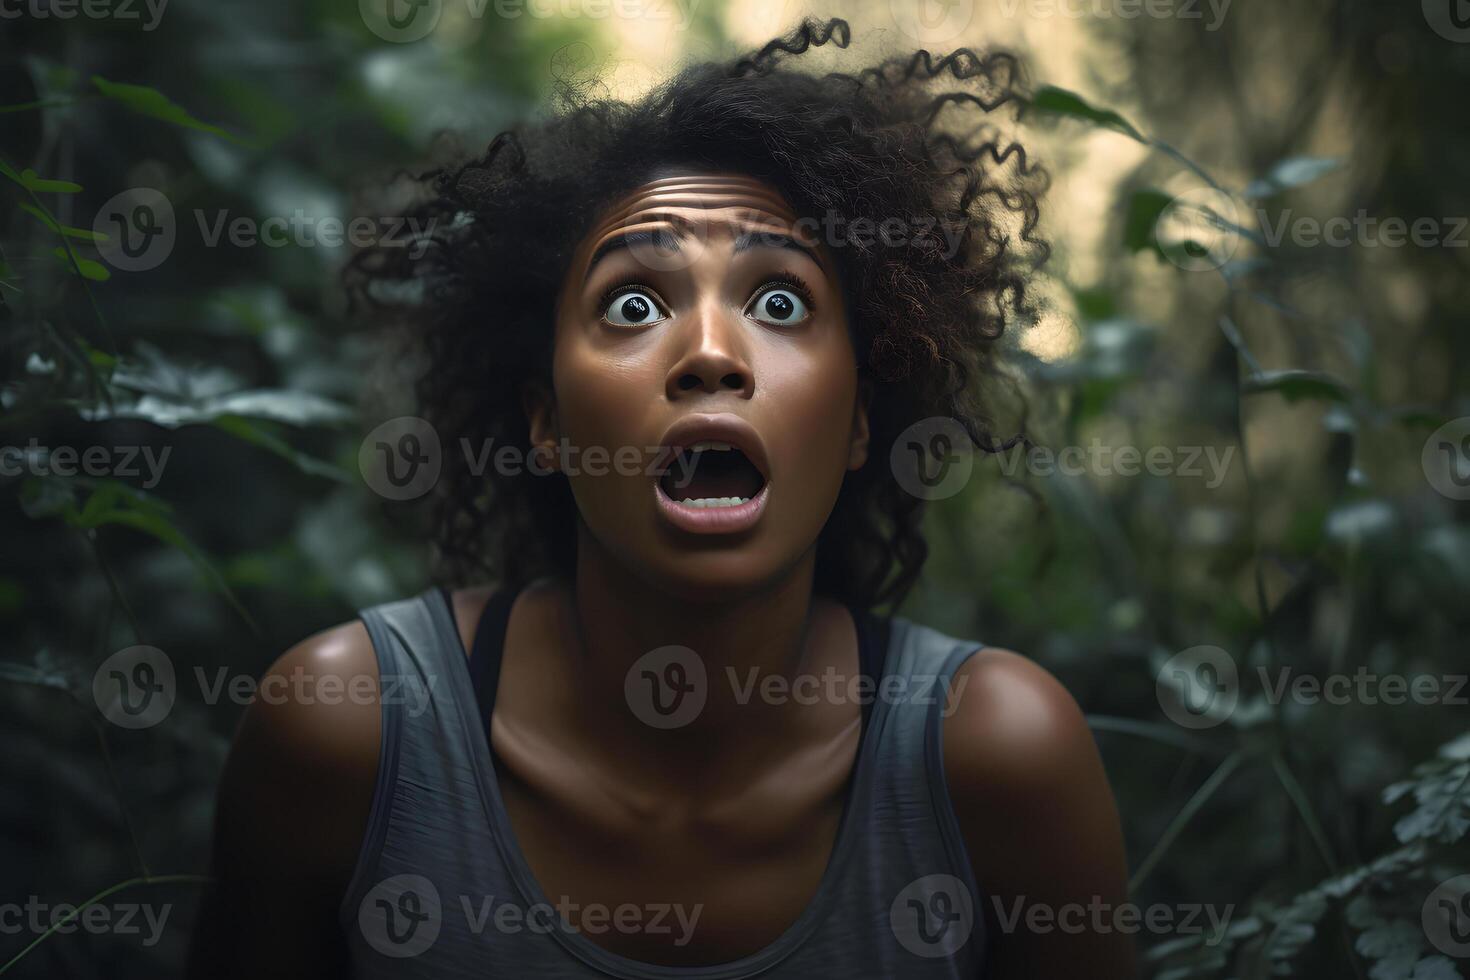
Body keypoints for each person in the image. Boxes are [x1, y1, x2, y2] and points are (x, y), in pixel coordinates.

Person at [189, 19, 1134, 979]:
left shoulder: (1000, 758)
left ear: (858, 421)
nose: (713, 354)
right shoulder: (340, 730)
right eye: (634, 305)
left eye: (780, 303)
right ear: (546, 421)